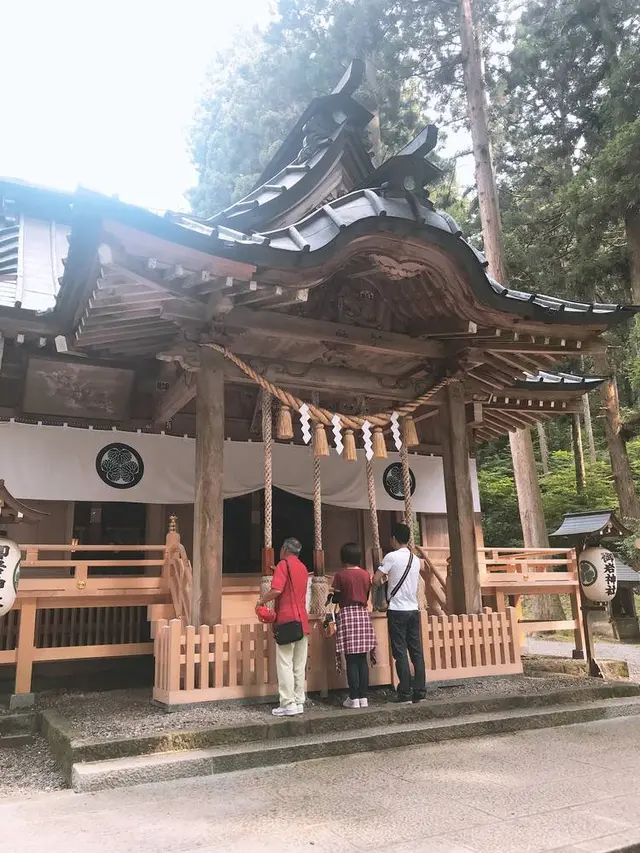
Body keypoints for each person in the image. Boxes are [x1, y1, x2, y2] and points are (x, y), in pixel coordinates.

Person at [373, 522, 426, 704]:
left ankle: (405, 692)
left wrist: (383, 588)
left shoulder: (391, 557)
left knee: (400, 651)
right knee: (416, 651)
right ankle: (420, 690)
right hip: (413, 608)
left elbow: (375, 578)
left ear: (394, 538)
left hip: (396, 609)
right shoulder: (415, 559)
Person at [257, 537, 309, 717]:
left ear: (285, 550)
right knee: (299, 664)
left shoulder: (283, 565)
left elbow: (277, 589)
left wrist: (261, 600)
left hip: (287, 620)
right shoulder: (302, 567)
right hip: (302, 621)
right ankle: (299, 700)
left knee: (285, 663)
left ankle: (287, 703)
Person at [331, 542, 377, 709]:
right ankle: (364, 697)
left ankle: (354, 697)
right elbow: (366, 594)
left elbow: (335, 599)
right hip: (362, 614)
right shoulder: (366, 575)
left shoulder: (340, 576)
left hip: (347, 615)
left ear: (343, 558)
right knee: (362, 659)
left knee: (351, 660)